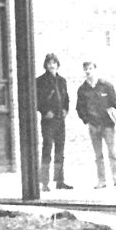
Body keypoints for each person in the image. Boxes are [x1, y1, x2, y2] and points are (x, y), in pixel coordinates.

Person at [75, 61, 116, 190]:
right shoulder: (82, 90)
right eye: (86, 69)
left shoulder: (106, 86)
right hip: (93, 126)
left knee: (112, 153)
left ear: (95, 69)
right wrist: (87, 120)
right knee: (98, 155)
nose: (88, 71)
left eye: (90, 68)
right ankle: (101, 181)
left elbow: (115, 101)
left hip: (108, 125)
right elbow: (79, 108)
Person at [35, 52, 72, 192]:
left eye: (54, 63)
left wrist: (65, 110)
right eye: (49, 63)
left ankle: (59, 180)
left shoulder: (62, 81)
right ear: (46, 65)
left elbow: (66, 98)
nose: (52, 65)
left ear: (57, 64)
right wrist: (45, 112)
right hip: (48, 121)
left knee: (60, 150)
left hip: (60, 120)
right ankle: (44, 182)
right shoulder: (40, 81)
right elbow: (36, 100)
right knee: (47, 149)